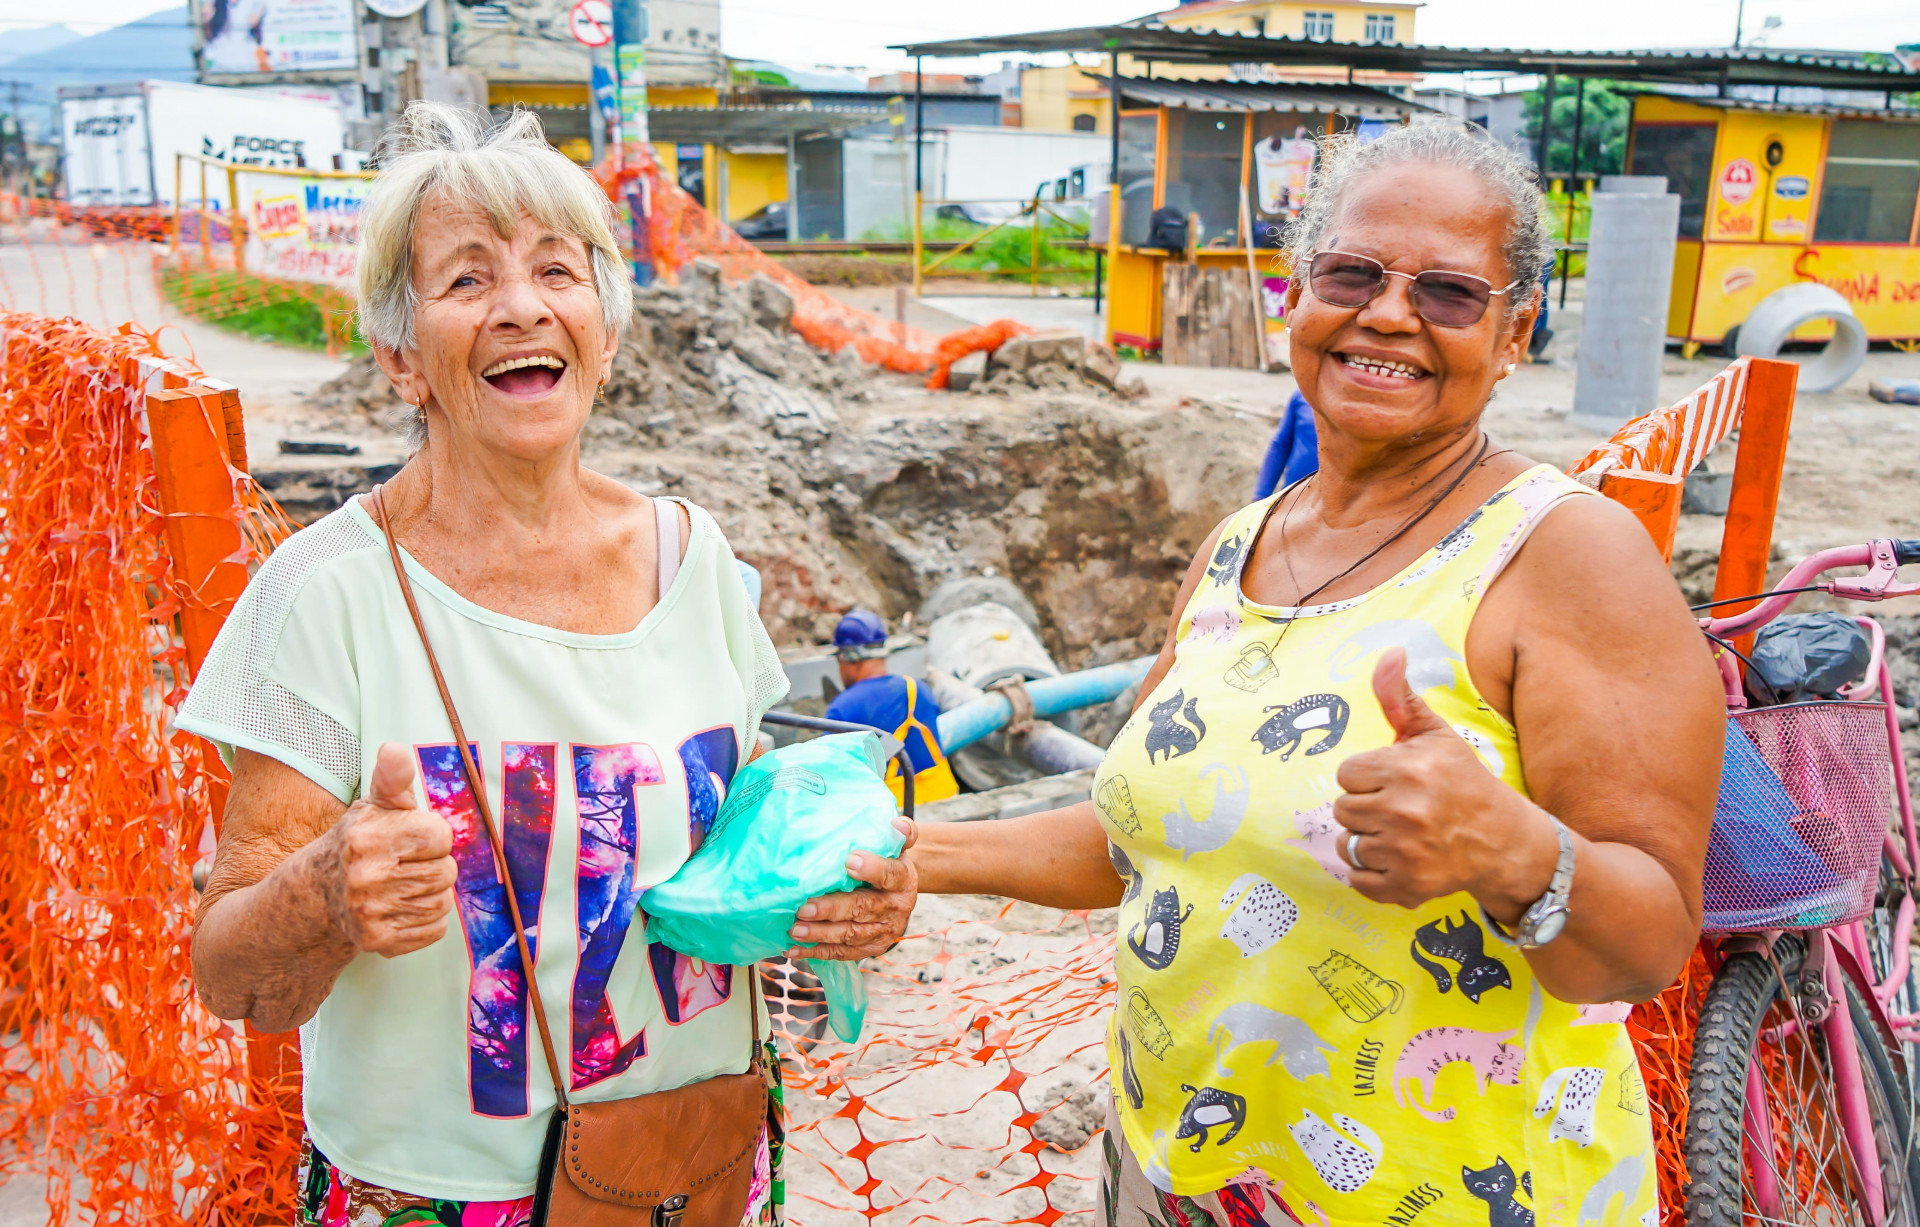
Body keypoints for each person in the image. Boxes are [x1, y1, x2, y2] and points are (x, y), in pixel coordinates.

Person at [823, 123, 1724, 1224]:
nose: (1388, 313)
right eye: (1353, 273)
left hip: (1441, 1193)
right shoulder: (1239, 546)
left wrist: (1516, 850)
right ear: (1293, 294)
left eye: (1447, 293)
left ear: (1515, 331)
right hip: (1173, 1168)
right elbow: (1139, 836)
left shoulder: (1567, 559)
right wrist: (920, 857)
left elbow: (1645, 946)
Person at [179, 103, 917, 1223]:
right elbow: (234, 980)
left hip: (700, 1168)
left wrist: (854, 893)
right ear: (398, 357)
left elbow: (760, 850)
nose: (523, 306)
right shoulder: (327, 593)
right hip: (438, 1198)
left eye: (556, 272)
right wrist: (325, 893)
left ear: (606, 335)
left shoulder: (692, 556)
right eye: (467, 281)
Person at [824, 610, 958, 806]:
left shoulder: (842, 709)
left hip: (895, 817)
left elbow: (832, 780)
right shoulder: (918, 689)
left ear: (848, 657)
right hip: (945, 801)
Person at [1252, 388, 1319, 499]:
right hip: (1292, 498)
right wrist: (1260, 497)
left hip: (1338, 506)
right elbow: (1280, 445)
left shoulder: (1355, 401)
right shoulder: (1302, 394)